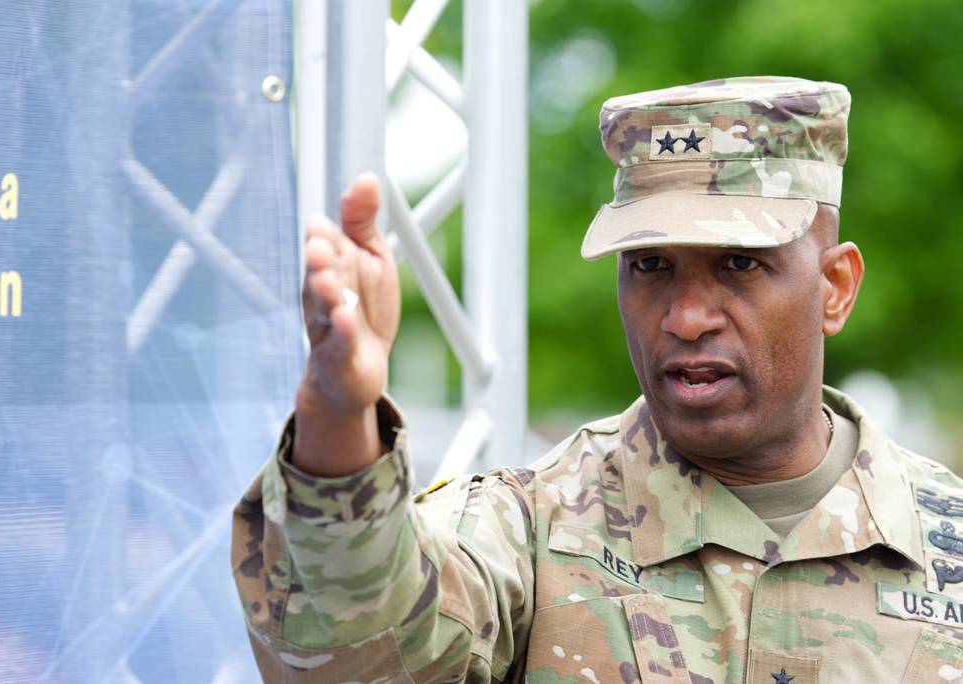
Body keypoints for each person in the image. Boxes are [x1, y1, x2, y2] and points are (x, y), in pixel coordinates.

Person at [232, 77, 963, 682]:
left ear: (835, 287)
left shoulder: (947, 542)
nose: (685, 317)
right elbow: (357, 656)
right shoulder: (534, 527)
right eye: (650, 266)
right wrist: (337, 414)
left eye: (740, 263)